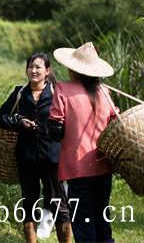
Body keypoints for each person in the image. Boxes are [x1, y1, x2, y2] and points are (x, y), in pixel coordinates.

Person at [0, 53, 71, 243]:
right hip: (26, 158)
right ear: (26, 70)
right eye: (31, 67)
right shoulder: (20, 93)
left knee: (59, 204)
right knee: (29, 203)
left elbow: (69, 121)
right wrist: (19, 122)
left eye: (38, 67)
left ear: (47, 71)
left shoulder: (56, 93)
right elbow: (1, 118)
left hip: (52, 159)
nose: (34, 70)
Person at [48, 42, 118, 243]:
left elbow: (55, 131)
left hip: (77, 168)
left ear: (73, 69)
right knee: (102, 217)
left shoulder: (62, 89)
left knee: (82, 219)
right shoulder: (104, 91)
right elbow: (115, 124)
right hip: (103, 166)